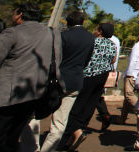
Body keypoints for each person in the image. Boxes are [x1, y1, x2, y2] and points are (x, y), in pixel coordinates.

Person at [0, 3, 60, 152]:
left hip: (3, 97)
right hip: (32, 95)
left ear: (19, 14)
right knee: (12, 137)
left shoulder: (12, 33)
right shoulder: (51, 33)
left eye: (13, 13)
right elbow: (56, 62)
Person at [39, 11, 95, 152]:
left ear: (68, 22)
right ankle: (48, 149)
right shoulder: (90, 38)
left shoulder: (62, 36)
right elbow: (87, 60)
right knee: (60, 122)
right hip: (75, 81)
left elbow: (54, 58)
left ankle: (32, 144)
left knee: (36, 115)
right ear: (83, 22)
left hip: (57, 80)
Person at [60, 22, 117, 151]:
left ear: (101, 31)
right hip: (103, 76)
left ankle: (72, 132)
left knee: (77, 104)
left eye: (97, 29)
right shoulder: (112, 45)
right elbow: (113, 60)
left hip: (89, 74)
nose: (95, 30)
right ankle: (80, 128)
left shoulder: (94, 41)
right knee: (90, 104)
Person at [119, 28, 139, 125]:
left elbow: (133, 60)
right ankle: (122, 118)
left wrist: (129, 73)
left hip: (132, 73)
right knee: (127, 98)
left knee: (129, 95)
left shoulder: (138, 45)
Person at [96, 31, 121, 130]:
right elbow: (114, 59)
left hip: (94, 72)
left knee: (92, 96)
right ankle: (105, 115)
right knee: (97, 96)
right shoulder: (114, 42)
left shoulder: (97, 41)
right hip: (106, 71)